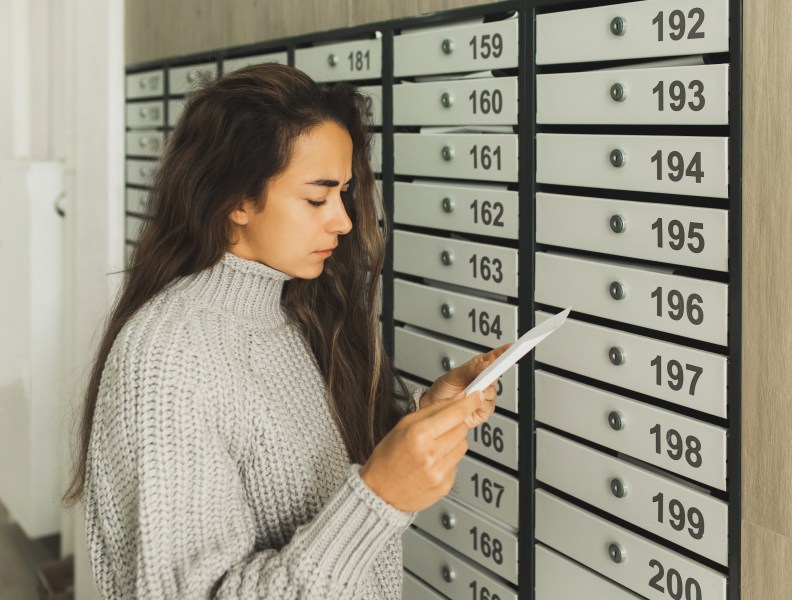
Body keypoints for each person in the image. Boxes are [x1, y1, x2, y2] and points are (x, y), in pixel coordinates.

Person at [64, 63, 506, 599]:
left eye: (343, 194)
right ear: (237, 200)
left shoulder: (290, 312)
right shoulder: (167, 361)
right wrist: (381, 497)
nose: (342, 221)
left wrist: (418, 423)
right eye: (317, 198)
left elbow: (312, 493)